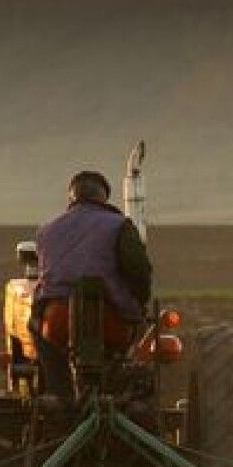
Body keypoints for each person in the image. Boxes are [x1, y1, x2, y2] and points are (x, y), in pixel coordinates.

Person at [30, 171, 152, 398]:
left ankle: (60, 396)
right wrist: (140, 302)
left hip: (59, 322)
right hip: (111, 321)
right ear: (103, 197)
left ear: (72, 198)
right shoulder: (119, 226)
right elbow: (139, 271)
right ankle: (120, 390)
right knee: (138, 334)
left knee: (35, 327)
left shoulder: (47, 230)